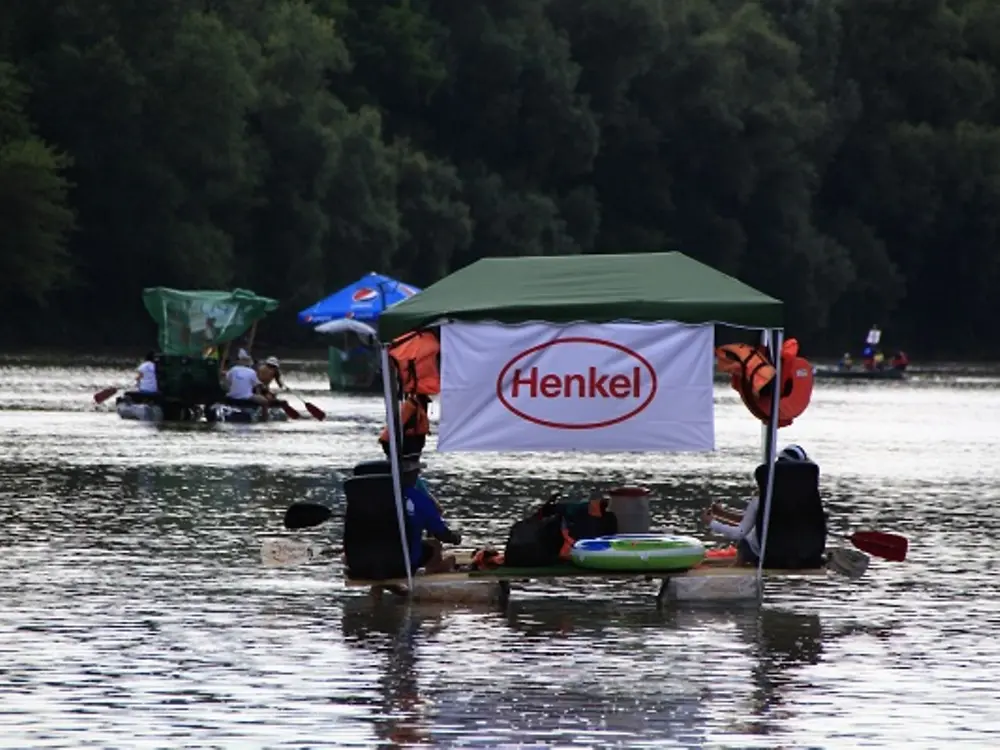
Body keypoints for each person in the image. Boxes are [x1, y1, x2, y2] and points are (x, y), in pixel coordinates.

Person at [700, 444, 813, 565]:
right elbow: (757, 519)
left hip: (766, 555)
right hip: (796, 555)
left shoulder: (763, 497)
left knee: (745, 540)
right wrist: (722, 514)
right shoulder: (807, 498)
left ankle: (737, 566)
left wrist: (712, 523)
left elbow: (740, 532)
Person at [401, 458, 460, 573]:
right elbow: (441, 533)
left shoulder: (373, 497)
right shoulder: (418, 500)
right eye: (417, 472)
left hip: (362, 561)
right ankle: (433, 570)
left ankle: (381, 589)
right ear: (413, 475)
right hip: (403, 561)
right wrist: (455, 538)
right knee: (435, 545)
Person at [379, 393, 431, 460]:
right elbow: (399, 426)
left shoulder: (416, 407)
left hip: (408, 442)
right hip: (398, 442)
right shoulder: (411, 407)